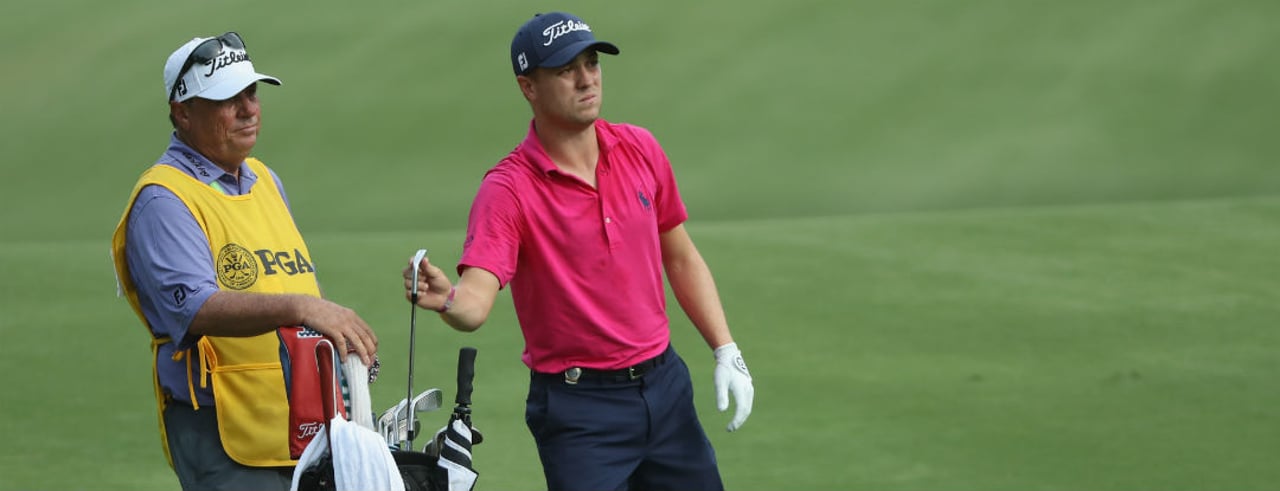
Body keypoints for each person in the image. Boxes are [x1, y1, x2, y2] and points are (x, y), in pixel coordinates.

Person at [403, 12, 754, 490]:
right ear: (529, 87)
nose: (586, 78)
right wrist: (447, 299)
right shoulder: (509, 188)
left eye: (591, 62)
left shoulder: (639, 148)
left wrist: (725, 347)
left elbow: (680, 255)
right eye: (567, 69)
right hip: (580, 410)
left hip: (665, 387)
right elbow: (475, 301)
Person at [110, 32, 379, 491]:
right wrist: (303, 308)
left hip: (302, 426)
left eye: (250, 93)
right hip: (222, 433)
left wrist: (338, 348)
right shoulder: (164, 198)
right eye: (226, 99)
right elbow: (194, 308)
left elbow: (292, 284)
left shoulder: (265, 181)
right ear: (183, 112)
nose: (248, 109)